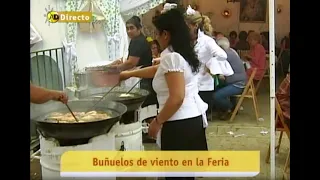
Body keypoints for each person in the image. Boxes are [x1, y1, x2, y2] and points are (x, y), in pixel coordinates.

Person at [120, 4, 208, 162]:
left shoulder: (171, 57)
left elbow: (177, 97)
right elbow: (159, 71)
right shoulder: (182, 51)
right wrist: (129, 74)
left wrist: (157, 121)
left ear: (166, 34)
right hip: (193, 120)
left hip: (178, 124)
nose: (156, 37)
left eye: (157, 33)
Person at [184, 6, 233, 111]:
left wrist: (209, 66)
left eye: (187, 26)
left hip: (203, 85)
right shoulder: (187, 41)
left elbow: (222, 55)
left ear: (195, 26)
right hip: (189, 83)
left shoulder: (207, 41)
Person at [113, 16, 157, 108]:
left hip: (141, 81)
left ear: (139, 29)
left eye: (132, 28)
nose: (129, 31)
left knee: (140, 107)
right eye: (127, 28)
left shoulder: (138, 41)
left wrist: (116, 69)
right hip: (144, 79)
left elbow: (131, 63)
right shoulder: (137, 40)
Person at [213, 37, 247, 120]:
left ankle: (230, 108)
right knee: (216, 88)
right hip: (239, 81)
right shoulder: (231, 51)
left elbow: (218, 69)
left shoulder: (225, 55)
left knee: (215, 95)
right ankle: (229, 108)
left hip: (237, 84)